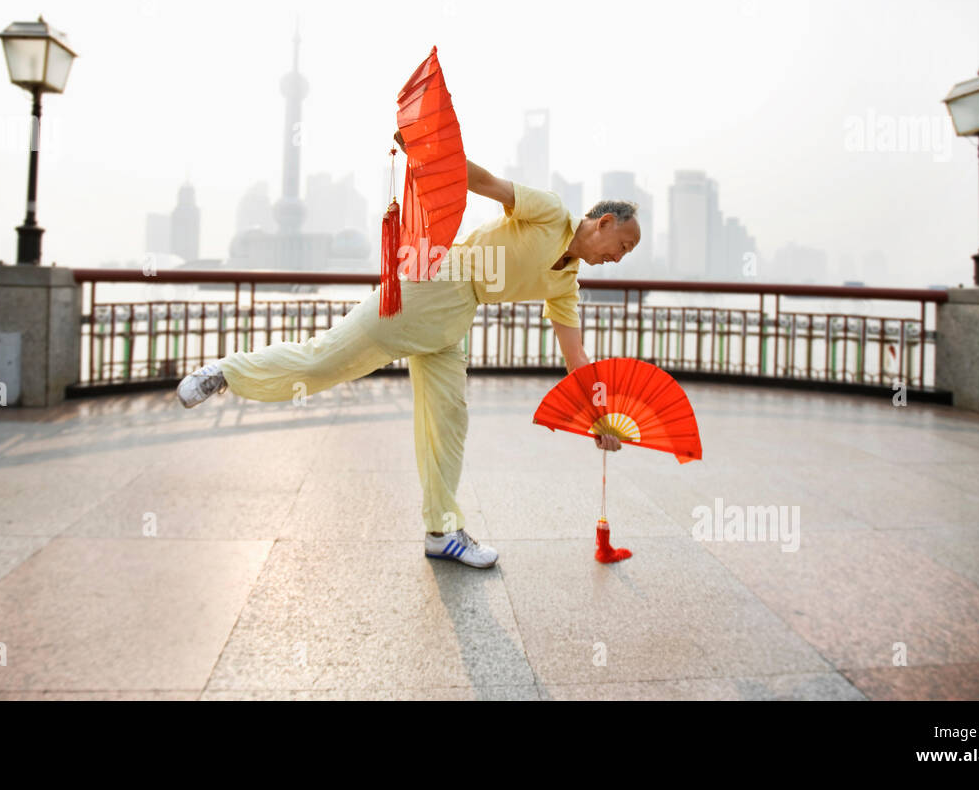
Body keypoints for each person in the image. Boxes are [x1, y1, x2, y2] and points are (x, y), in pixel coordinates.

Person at [177, 150, 641, 569]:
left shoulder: (566, 284)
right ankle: (226, 371)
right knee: (326, 360)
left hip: (456, 318)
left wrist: (599, 417)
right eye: (622, 246)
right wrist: (431, 154)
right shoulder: (552, 213)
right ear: (603, 224)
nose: (619, 258)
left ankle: (442, 531)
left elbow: (575, 354)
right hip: (436, 282)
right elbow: (486, 183)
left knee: (449, 420)